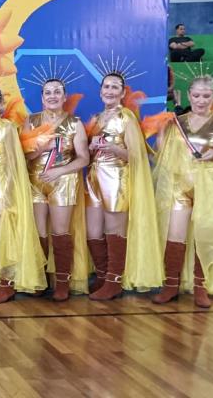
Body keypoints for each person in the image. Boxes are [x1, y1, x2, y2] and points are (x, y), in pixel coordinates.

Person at [152, 75, 213, 308]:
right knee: (175, 234)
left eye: (206, 96)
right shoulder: (176, 122)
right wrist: (161, 133)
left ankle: (200, 286)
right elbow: (161, 153)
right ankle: (170, 285)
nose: (201, 100)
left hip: (210, 188)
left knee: (205, 234)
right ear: (189, 95)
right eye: (196, 95)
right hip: (179, 186)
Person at [83, 74, 162, 301]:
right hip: (94, 178)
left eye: (114, 87)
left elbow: (136, 156)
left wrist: (113, 148)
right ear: (100, 91)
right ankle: (102, 275)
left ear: (123, 92)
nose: (109, 91)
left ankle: (114, 282)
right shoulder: (97, 118)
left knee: (114, 230)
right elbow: (88, 155)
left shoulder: (126, 117)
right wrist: (91, 148)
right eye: (106, 86)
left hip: (116, 178)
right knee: (93, 231)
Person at [0, 87, 46, 303]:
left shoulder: (7, 128)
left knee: (5, 235)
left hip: (3, 188)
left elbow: (15, 161)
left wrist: (12, 192)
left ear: (1, 105)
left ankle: (7, 283)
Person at [23, 79, 90, 301]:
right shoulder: (30, 121)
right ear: (42, 98)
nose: (52, 96)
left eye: (57, 92)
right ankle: (40, 279)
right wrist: (43, 146)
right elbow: (25, 155)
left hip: (63, 181)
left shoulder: (75, 123)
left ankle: (62, 283)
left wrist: (60, 171)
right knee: (39, 232)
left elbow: (83, 158)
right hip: (35, 181)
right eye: (48, 93)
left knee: (61, 232)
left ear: (64, 97)